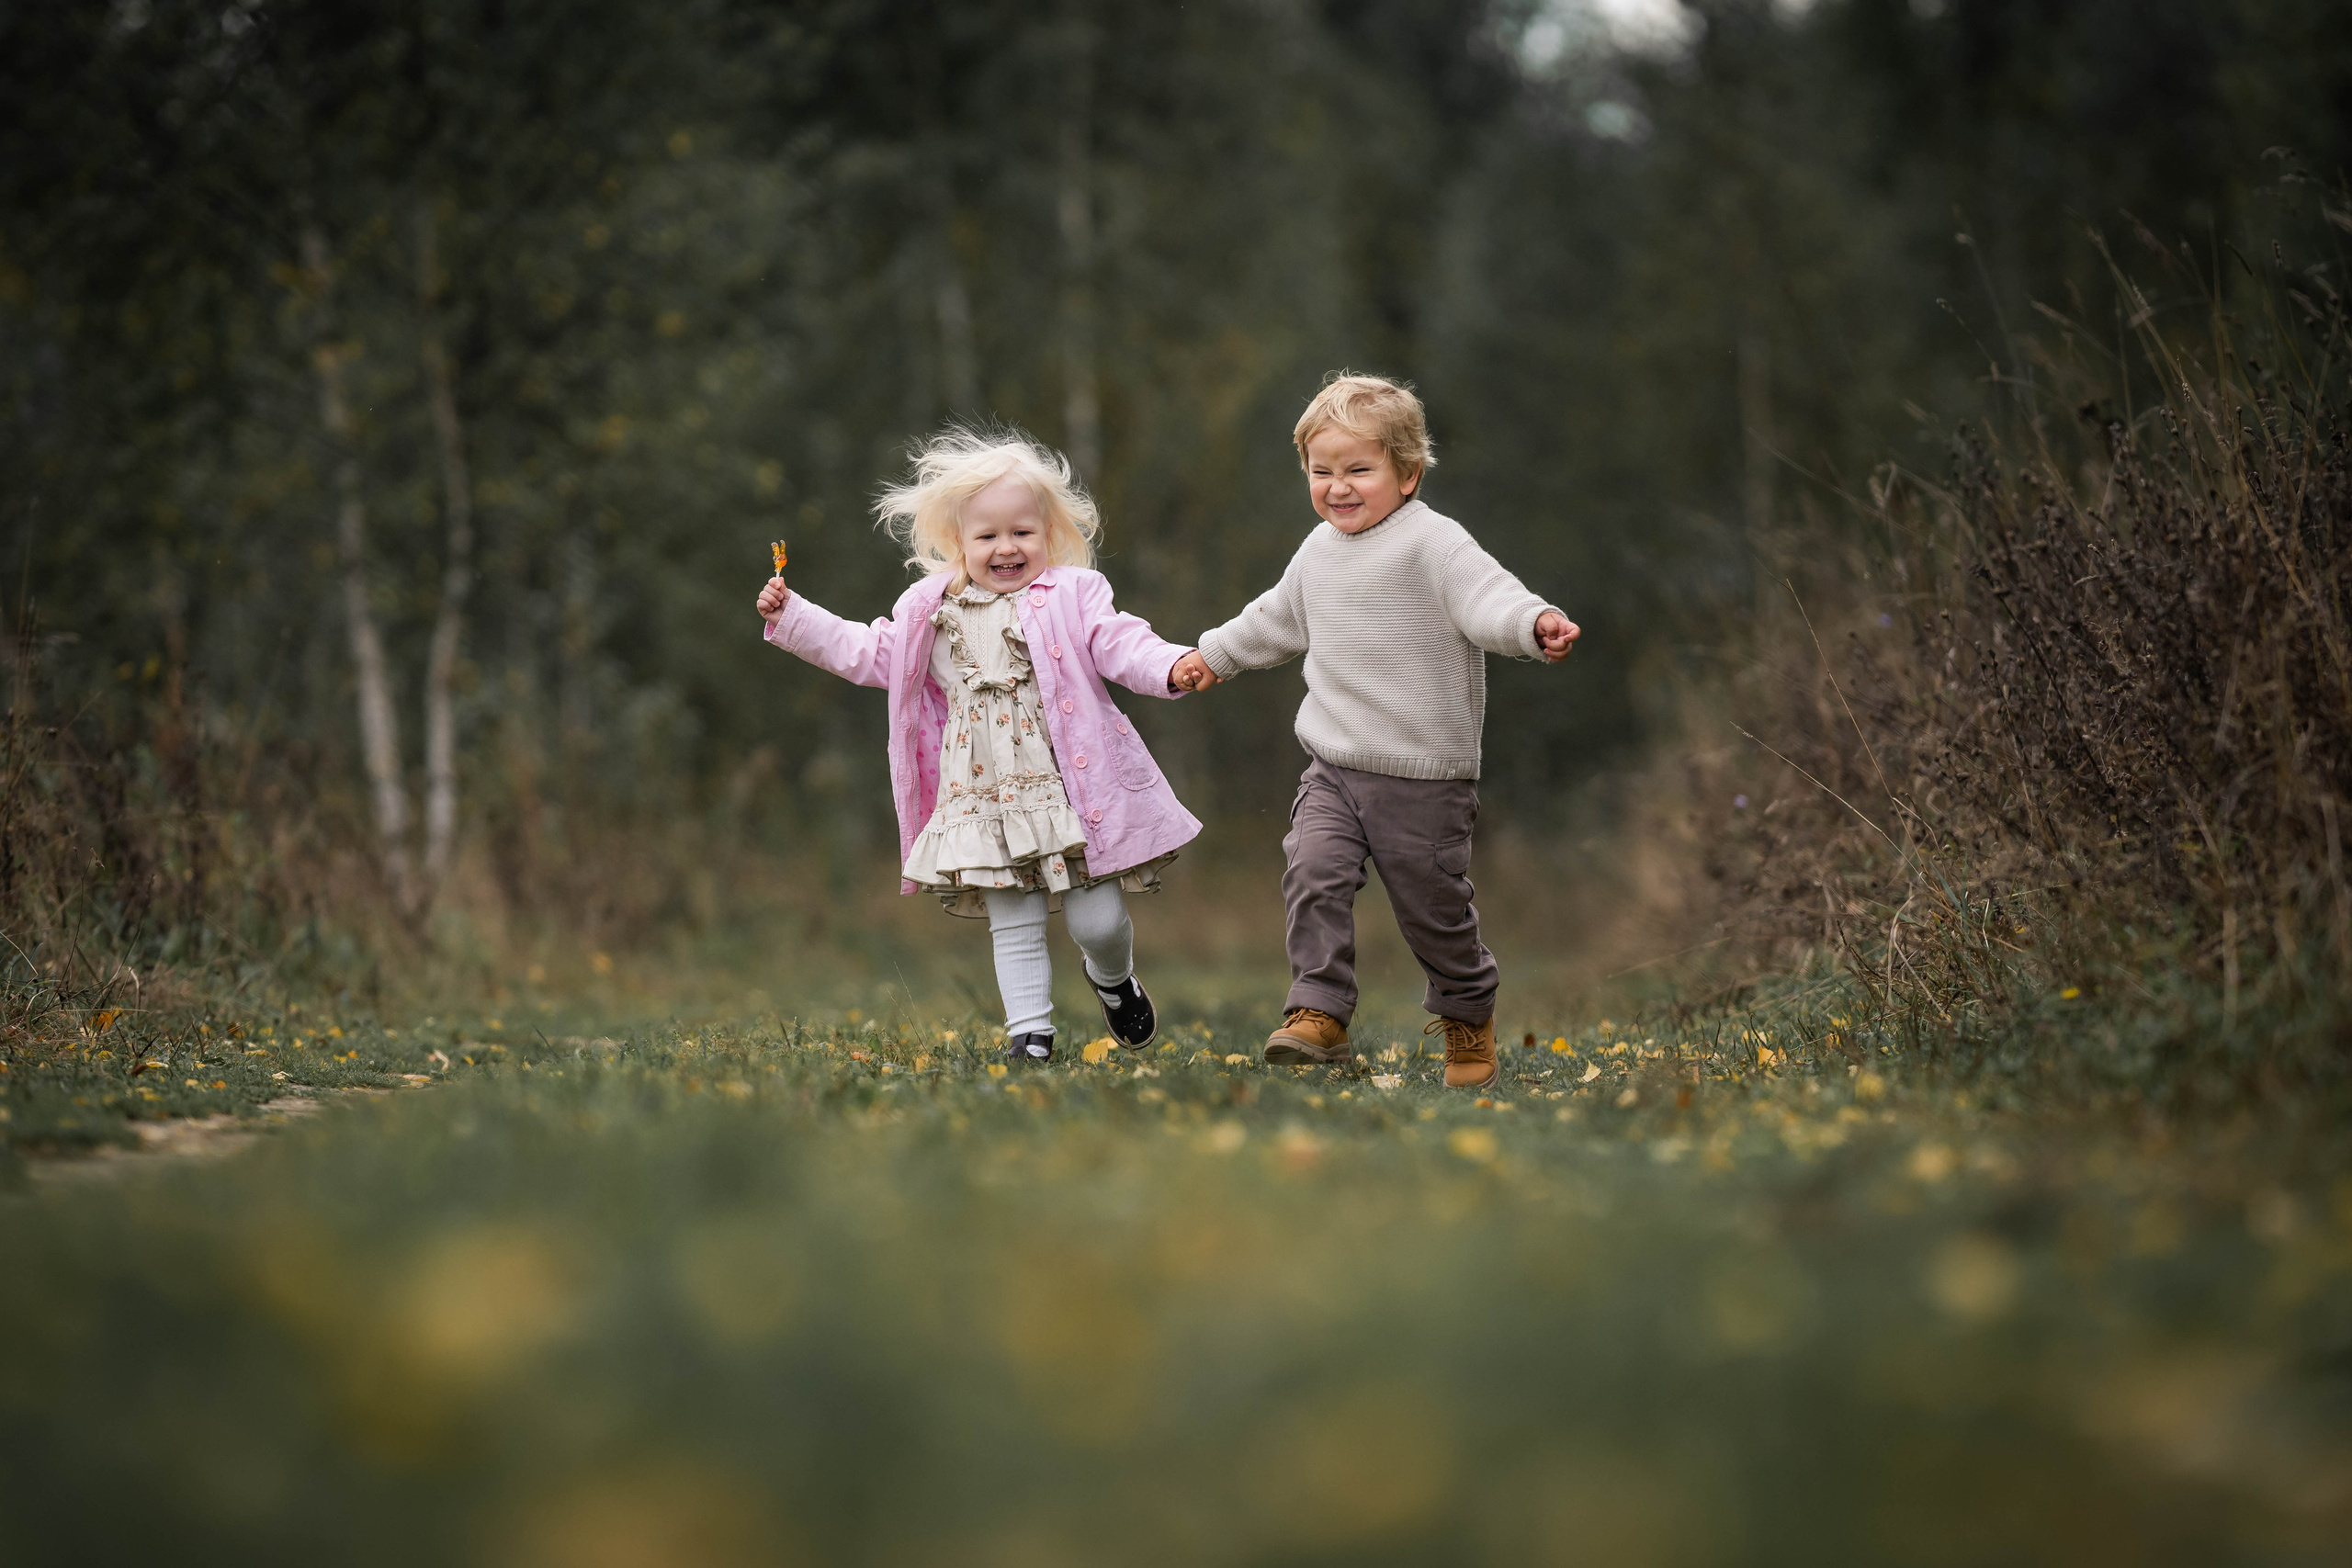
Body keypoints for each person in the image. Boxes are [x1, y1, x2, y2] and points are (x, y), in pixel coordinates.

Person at [1170, 375, 1578, 1089]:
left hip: (1424, 776)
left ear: (1409, 473)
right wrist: (1214, 654)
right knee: (1313, 870)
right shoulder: (1318, 551)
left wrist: (1532, 624)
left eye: (1359, 469)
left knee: (1435, 912)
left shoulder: (1434, 543)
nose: (1339, 488)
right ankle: (1318, 1013)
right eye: (1322, 472)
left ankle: (1466, 1013)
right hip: (1333, 764)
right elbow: (1275, 618)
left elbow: (1490, 598)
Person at [757, 427, 1210, 1066]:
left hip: (1073, 794)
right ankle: (1030, 1035)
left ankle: (1114, 979)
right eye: (988, 535)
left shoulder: (1075, 595)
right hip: (983, 797)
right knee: (1015, 919)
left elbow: (1120, 641)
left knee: (1097, 922)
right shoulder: (930, 611)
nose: (1006, 548)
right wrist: (793, 615)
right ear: (958, 543)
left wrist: (1171, 665)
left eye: (1022, 532)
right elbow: (869, 652)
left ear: (1048, 535)